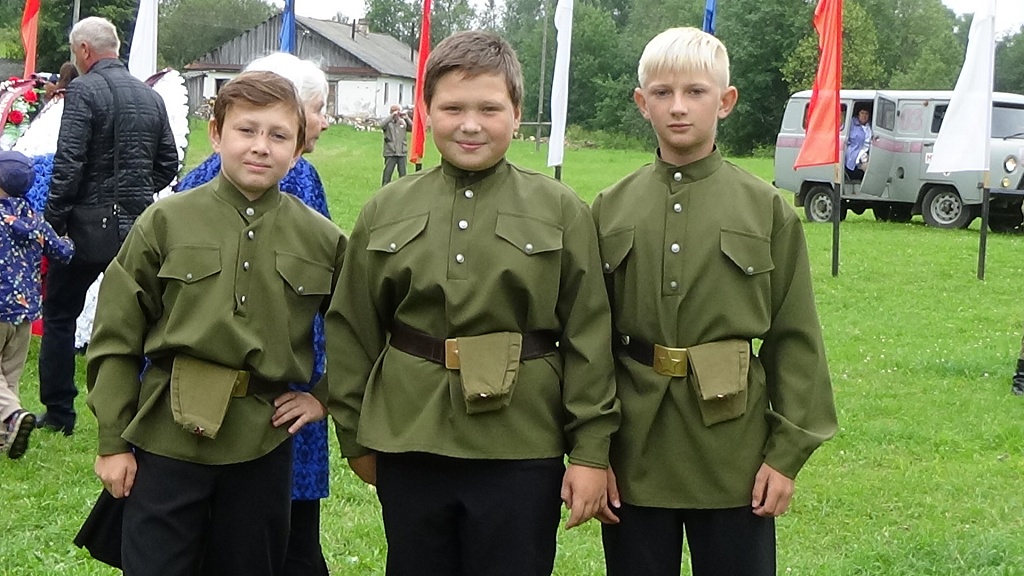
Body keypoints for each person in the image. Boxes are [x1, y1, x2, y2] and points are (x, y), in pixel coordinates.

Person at [326, 30, 620, 576]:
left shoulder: (559, 210)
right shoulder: (386, 209)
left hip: (522, 442)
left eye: (489, 108)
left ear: (516, 114)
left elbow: (589, 335)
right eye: (453, 108)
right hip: (409, 436)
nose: (470, 124)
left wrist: (589, 450)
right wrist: (354, 436)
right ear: (426, 111)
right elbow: (352, 327)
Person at [593, 27, 837, 576]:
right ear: (642, 103)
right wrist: (593, 450)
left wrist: (785, 455)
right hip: (635, 448)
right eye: (662, 93)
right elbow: (591, 340)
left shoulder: (765, 210)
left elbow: (795, 337)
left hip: (735, 452)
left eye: (696, 92)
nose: (678, 107)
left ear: (725, 101)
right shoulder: (610, 208)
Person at [87, 71, 346, 576]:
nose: (261, 147)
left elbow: (361, 326)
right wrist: (113, 441)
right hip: (166, 438)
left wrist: (324, 396)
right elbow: (116, 336)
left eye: (278, 135)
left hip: (263, 446)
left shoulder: (321, 239)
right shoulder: (165, 222)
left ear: (298, 149)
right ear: (216, 134)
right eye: (246, 130)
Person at [175, 51, 333, 576]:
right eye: (316, 109)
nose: (324, 121)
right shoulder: (293, 177)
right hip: (270, 396)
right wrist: (317, 387)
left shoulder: (206, 173)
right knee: (283, 541)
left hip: (244, 399)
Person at [37, 16, 178, 436]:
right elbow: (168, 162)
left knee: (60, 315)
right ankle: (144, 411)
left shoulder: (83, 90)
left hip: (84, 226)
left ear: (84, 51)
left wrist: (52, 225)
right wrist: (136, 192)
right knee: (143, 320)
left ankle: (59, 412)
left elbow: (69, 163)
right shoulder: (149, 95)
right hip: (137, 227)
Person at [0, 150, 74, 459]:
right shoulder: (35, 219)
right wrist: (69, 239)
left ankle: (13, 416)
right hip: (25, 312)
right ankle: (7, 435)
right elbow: (63, 253)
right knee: (9, 376)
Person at [380, 104, 411, 185]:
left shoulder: (403, 122)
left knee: (403, 174)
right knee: (388, 173)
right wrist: (391, 116)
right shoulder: (388, 123)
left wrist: (407, 118)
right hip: (391, 151)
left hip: (402, 151)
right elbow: (381, 125)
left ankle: (403, 188)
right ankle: (385, 187)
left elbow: (412, 128)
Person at [845, 107, 871, 180]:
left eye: (866, 113)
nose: (864, 116)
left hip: (869, 151)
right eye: (862, 113)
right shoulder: (851, 123)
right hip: (856, 152)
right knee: (867, 168)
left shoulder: (870, 125)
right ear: (858, 114)